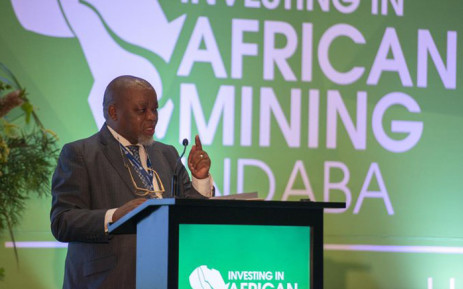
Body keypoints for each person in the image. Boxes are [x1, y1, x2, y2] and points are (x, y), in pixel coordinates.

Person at [50, 75, 213, 289]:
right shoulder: (81, 154)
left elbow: (191, 215)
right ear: (113, 112)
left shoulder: (168, 154)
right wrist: (115, 216)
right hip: (107, 280)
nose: (152, 117)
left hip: (166, 276)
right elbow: (62, 222)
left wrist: (200, 179)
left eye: (155, 109)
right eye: (142, 110)